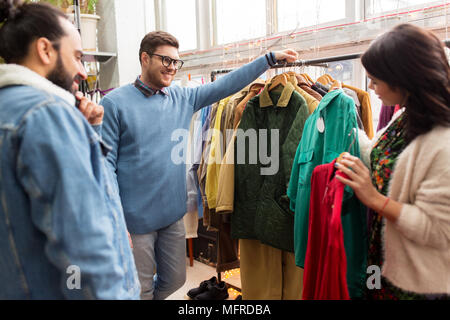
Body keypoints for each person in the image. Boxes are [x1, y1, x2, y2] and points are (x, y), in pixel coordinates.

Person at [100, 30, 298, 299]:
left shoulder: (182, 99)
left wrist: (268, 59)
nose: (172, 67)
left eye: (176, 62)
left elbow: (225, 86)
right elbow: (105, 164)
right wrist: (115, 216)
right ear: (144, 58)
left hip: (172, 213)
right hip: (135, 219)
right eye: (165, 60)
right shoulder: (114, 103)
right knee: (142, 288)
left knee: (175, 279)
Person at [0, 0, 139, 299]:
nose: (81, 70)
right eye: (77, 57)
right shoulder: (47, 115)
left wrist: (88, 131)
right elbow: (82, 249)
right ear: (45, 50)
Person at [335, 24, 450, 299]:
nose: (371, 87)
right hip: (385, 258)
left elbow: (436, 229)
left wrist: (374, 198)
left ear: (403, 79)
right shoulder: (404, 117)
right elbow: (386, 159)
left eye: (375, 79)